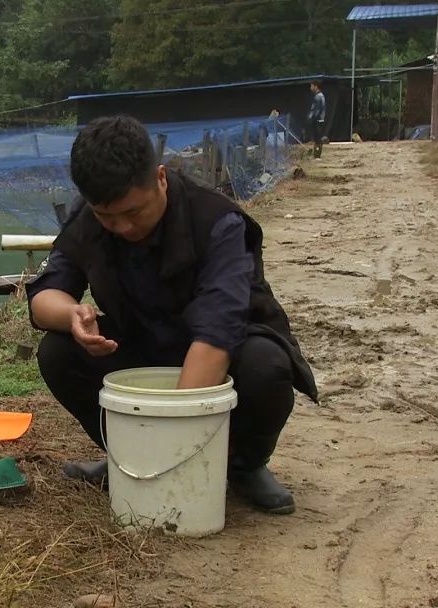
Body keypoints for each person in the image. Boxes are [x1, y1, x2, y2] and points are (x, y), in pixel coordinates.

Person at [28, 116, 318, 514]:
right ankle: (128, 461)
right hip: (144, 345)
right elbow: (46, 294)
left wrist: (175, 455)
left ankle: (243, 465)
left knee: (266, 366)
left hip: (221, 352)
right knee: (57, 351)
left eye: (134, 212)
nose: (123, 227)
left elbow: (218, 332)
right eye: (107, 217)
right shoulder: (90, 218)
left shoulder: (217, 221)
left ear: (160, 178)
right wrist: (71, 315)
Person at [308, 81, 327, 159]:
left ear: (316, 86)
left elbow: (317, 110)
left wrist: (311, 118)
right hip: (319, 120)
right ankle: (316, 155)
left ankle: (317, 155)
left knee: (318, 139)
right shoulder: (319, 96)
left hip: (318, 120)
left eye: (312, 86)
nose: (310, 88)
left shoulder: (318, 97)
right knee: (317, 139)